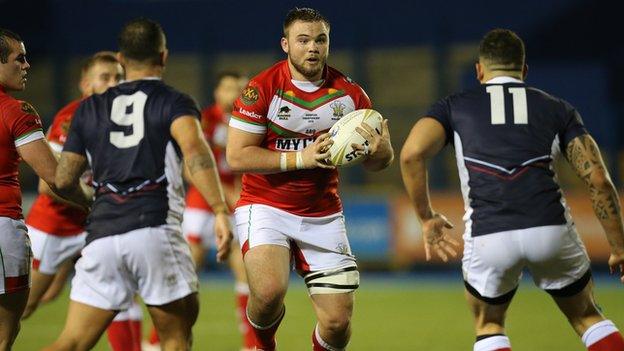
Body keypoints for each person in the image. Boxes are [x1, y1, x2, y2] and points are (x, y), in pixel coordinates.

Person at [400, 28, 624, 351]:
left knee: (489, 325)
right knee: (588, 317)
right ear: (524, 70)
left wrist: (426, 217)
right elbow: (599, 179)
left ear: (479, 70)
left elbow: (410, 154)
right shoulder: (557, 108)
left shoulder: (454, 107)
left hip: (490, 233)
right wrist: (618, 246)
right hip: (550, 229)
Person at [43, 18, 232, 351]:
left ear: (120, 59)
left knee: (71, 342)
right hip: (153, 229)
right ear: (163, 57)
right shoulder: (174, 101)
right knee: (177, 336)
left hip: (101, 236)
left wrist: (93, 202)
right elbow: (196, 154)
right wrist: (219, 209)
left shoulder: (87, 109)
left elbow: (61, 180)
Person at [226, 7, 393, 351]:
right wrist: (300, 157)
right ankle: (262, 344)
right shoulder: (261, 89)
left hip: (322, 212)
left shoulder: (350, 96)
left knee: (336, 323)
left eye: (320, 39)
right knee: (268, 292)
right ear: (285, 44)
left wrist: (380, 152)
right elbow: (238, 155)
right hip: (266, 205)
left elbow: (379, 162)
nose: (313, 47)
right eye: (303, 40)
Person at [21, 51, 145, 351]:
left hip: (95, 228)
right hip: (55, 226)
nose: (113, 84)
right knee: (26, 305)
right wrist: (99, 204)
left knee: (121, 295)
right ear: (85, 85)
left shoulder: (127, 118)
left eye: (119, 77)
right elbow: (50, 185)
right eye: (105, 78)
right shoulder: (70, 119)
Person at [145, 71, 256, 351]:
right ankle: (155, 341)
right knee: (185, 275)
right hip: (201, 206)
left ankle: (251, 345)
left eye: (240, 89)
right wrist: (221, 193)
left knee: (247, 275)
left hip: (235, 207)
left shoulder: (251, 121)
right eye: (229, 87)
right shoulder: (204, 118)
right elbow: (190, 167)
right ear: (218, 92)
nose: (235, 93)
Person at [0, 28, 91, 350]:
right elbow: (56, 178)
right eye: (18, 59)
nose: (26, 66)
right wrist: (95, 203)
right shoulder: (15, 111)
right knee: (4, 335)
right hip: (2, 225)